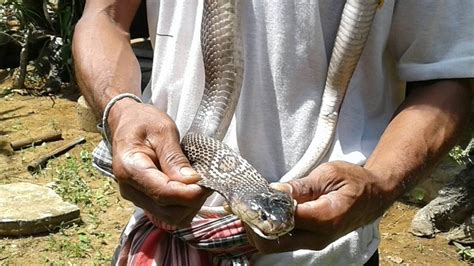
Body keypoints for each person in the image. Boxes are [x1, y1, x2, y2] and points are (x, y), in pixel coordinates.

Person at [72, 0, 473, 265]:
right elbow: (102, 17)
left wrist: (380, 183)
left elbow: (452, 70)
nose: (275, 225)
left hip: (328, 255)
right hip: (166, 238)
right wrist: (120, 109)